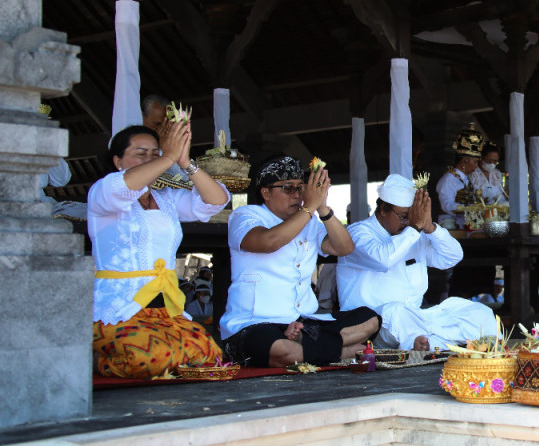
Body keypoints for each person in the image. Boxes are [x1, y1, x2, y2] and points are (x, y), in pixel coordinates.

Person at [89, 122, 229, 378]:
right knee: (148, 357)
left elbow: (216, 200)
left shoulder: (166, 199)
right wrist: (167, 157)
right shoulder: (103, 191)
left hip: (164, 307)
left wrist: (185, 162)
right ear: (118, 161)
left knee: (209, 353)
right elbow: (122, 187)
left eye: (155, 153)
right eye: (141, 153)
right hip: (119, 308)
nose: (151, 159)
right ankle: (97, 359)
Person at [221, 156, 379, 367]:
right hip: (254, 323)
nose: (297, 195)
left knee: (370, 320)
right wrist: (309, 207)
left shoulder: (310, 220)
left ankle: (307, 347)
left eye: (300, 188)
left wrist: (323, 209)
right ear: (266, 193)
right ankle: (339, 352)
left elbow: (344, 248)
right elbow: (269, 242)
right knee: (280, 349)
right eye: (288, 188)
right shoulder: (246, 215)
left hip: (303, 323)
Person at [336, 174, 498, 350]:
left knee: (480, 313)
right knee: (395, 312)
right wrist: (414, 229)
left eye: (412, 218)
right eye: (404, 216)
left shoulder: (412, 233)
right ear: (383, 209)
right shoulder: (357, 233)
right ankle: (434, 342)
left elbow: (452, 257)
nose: (408, 222)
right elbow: (384, 259)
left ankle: (428, 342)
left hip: (414, 319)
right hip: (370, 325)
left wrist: (431, 228)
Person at [437, 123, 484, 228]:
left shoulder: (466, 178)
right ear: (465, 161)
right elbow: (446, 205)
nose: (477, 166)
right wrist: (467, 208)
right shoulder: (449, 179)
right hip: (451, 225)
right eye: (475, 162)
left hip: (466, 223)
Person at [469, 141, 507, 206]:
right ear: (481, 158)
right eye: (489, 161)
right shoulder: (472, 173)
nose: (492, 163)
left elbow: (501, 194)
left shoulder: (497, 173)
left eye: (495, 161)